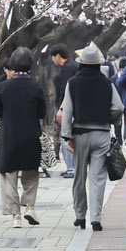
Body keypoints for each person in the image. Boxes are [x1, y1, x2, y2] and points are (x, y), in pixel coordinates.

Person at [58, 45, 121, 230]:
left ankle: (80, 215)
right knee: (98, 177)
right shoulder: (107, 83)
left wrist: (67, 136)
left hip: (80, 134)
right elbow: (118, 107)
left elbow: (67, 111)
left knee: (79, 177)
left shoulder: (73, 82)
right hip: (101, 134)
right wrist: (107, 118)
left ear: (82, 63)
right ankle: (96, 218)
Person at [0, 47, 49, 227]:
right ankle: (30, 207)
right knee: (31, 174)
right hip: (31, 136)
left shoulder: (3, 87)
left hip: (9, 137)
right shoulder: (36, 87)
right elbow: (42, 113)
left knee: (8, 176)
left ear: (13, 65)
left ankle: (15, 216)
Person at [50, 46, 77, 177]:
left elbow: (68, 90)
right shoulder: (70, 66)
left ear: (58, 56)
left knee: (66, 136)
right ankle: (71, 167)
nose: (52, 59)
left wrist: (61, 109)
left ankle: (72, 168)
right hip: (70, 107)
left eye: (53, 56)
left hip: (69, 108)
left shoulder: (68, 68)